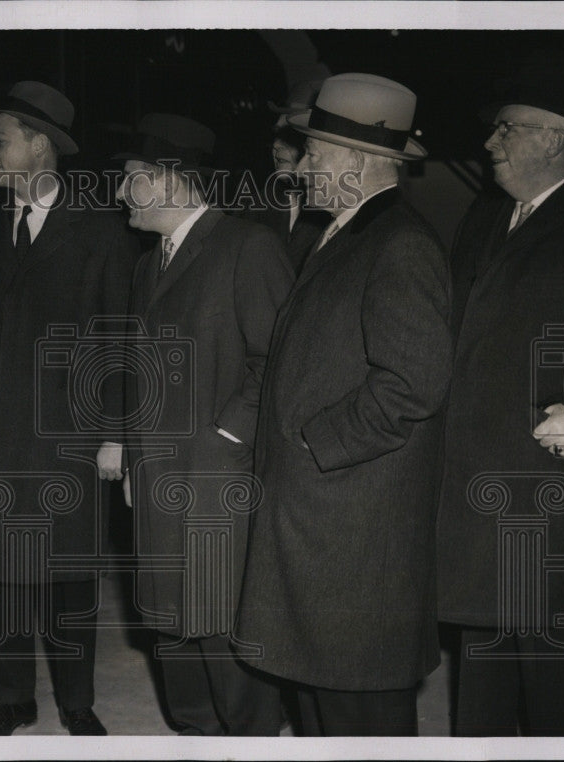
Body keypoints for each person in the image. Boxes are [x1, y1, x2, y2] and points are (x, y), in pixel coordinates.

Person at [0, 81, 138, 736]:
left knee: (68, 578)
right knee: (0, 574)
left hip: (68, 437)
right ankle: (10, 700)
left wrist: (117, 434)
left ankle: (76, 701)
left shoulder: (101, 235)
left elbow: (122, 343)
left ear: (38, 145)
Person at [237, 73, 453, 736]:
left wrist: (314, 445)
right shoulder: (345, 234)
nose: (300, 168)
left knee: (360, 714)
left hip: (353, 536)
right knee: (321, 705)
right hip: (324, 527)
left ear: (356, 163)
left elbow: (412, 384)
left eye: (314, 155)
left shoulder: (401, 246)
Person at [436, 54, 564, 736]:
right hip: (478, 478)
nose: (489, 143)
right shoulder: (485, 215)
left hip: (552, 477)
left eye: (506, 128)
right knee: (484, 660)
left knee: (557, 670)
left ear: (556, 139)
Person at [115, 113, 292, 735]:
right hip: (157, 475)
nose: (119, 193)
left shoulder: (248, 246)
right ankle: (191, 734)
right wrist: (133, 453)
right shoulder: (147, 264)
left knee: (220, 622)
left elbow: (278, 359)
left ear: (169, 181)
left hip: (217, 478)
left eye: (130, 178)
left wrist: (225, 436)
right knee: (167, 619)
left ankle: (251, 742)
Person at [244, 79, 330, 275]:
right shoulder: (255, 203)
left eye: (289, 134)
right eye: (275, 134)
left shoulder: (336, 209)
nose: (276, 145)